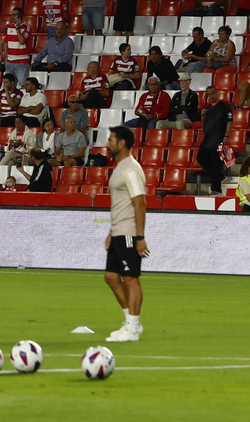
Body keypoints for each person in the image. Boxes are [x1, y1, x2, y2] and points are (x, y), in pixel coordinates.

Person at [102, 125, 148, 342]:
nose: (107, 143)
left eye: (111, 140)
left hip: (129, 233)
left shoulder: (131, 169)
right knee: (111, 277)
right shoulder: (120, 167)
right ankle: (129, 323)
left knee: (130, 279)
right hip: (119, 231)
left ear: (121, 143)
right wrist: (112, 231)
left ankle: (134, 327)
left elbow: (139, 203)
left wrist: (140, 237)